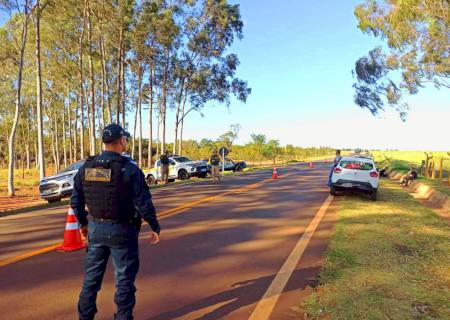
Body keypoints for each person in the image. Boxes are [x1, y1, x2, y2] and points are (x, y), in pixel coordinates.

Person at [71, 123, 161, 320]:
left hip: (95, 229)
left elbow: (76, 199)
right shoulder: (129, 169)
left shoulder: (87, 167)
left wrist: (83, 224)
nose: (126, 141)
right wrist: (154, 225)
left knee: (91, 281)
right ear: (121, 140)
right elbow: (143, 202)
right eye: (125, 139)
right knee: (124, 282)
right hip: (123, 230)